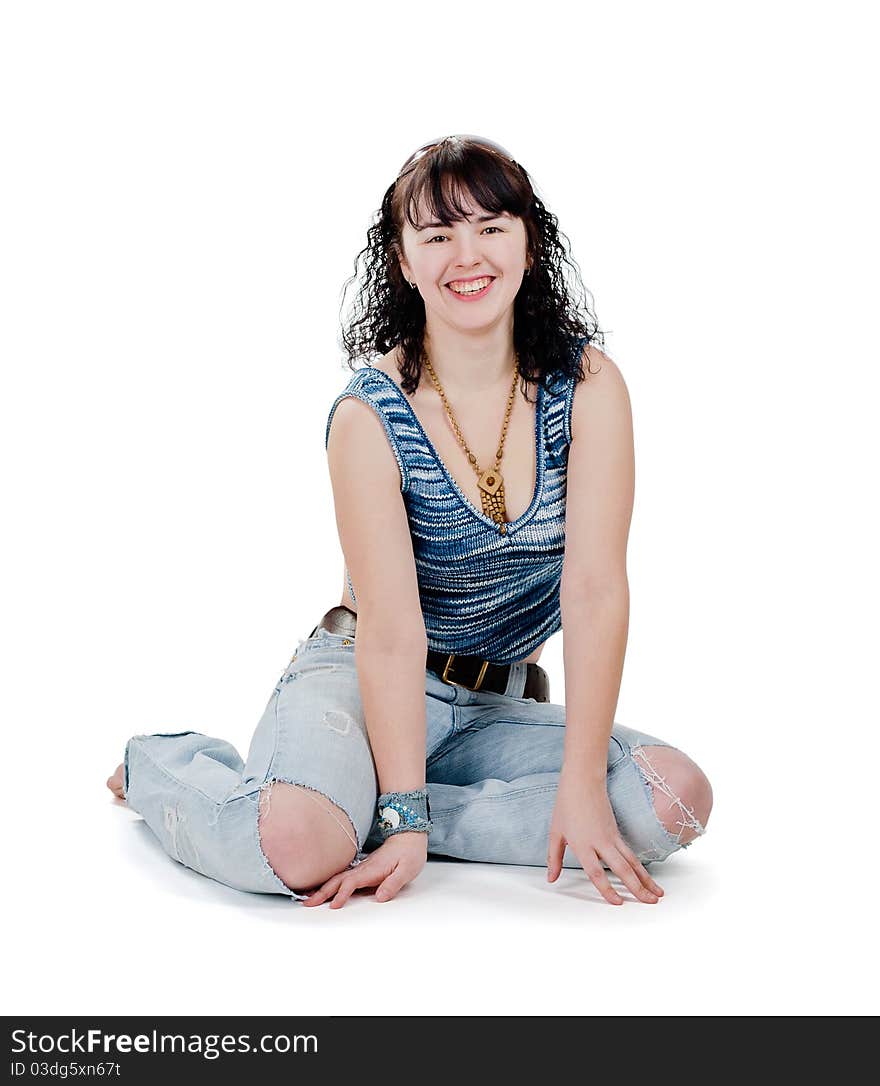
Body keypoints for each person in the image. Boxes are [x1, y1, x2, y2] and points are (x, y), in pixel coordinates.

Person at [107, 134, 713, 908]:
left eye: (492, 227)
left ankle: (386, 815)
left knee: (673, 798)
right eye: (438, 235)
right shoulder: (371, 414)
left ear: (530, 244)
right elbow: (392, 629)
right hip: (364, 680)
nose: (469, 255)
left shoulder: (587, 386)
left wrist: (580, 783)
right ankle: (172, 767)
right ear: (403, 259)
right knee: (298, 846)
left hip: (496, 705)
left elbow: (593, 591)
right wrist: (401, 812)